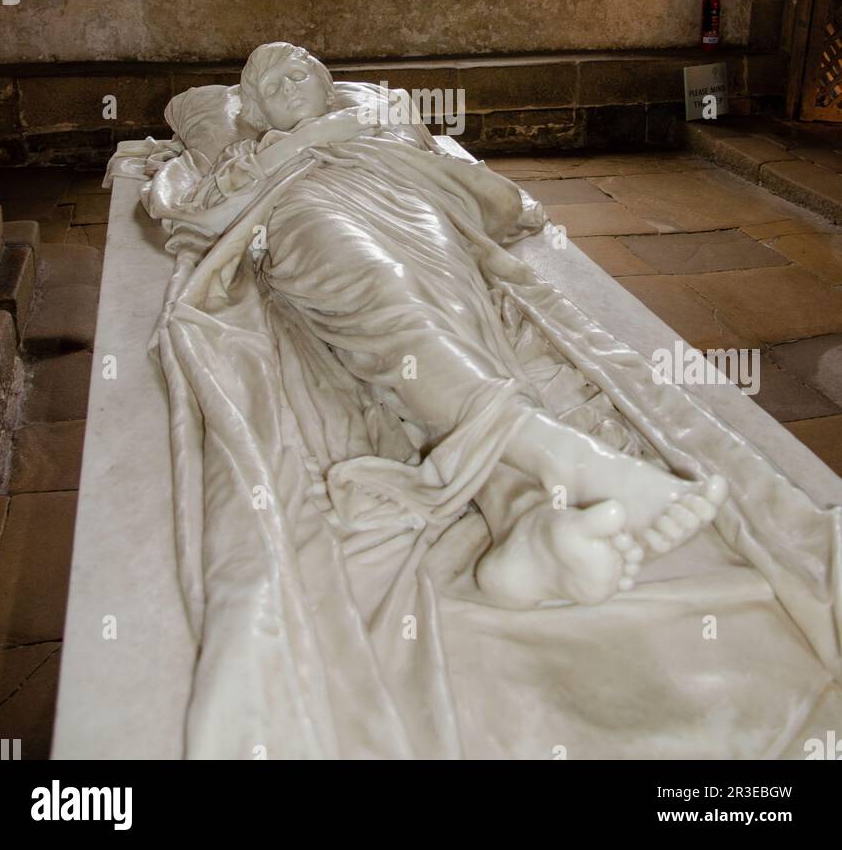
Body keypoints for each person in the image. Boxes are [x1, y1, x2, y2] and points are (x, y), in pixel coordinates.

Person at [146, 41, 726, 607]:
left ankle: (519, 516)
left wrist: (346, 131)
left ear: (327, 84)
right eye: (271, 87)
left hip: (411, 207)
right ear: (252, 113)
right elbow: (201, 219)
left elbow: (441, 172)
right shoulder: (249, 157)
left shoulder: (375, 119)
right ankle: (558, 453)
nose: (289, 88)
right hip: (311, 211)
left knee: (459, 323)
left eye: (299, 74)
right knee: (389, 295)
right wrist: (299, 147)